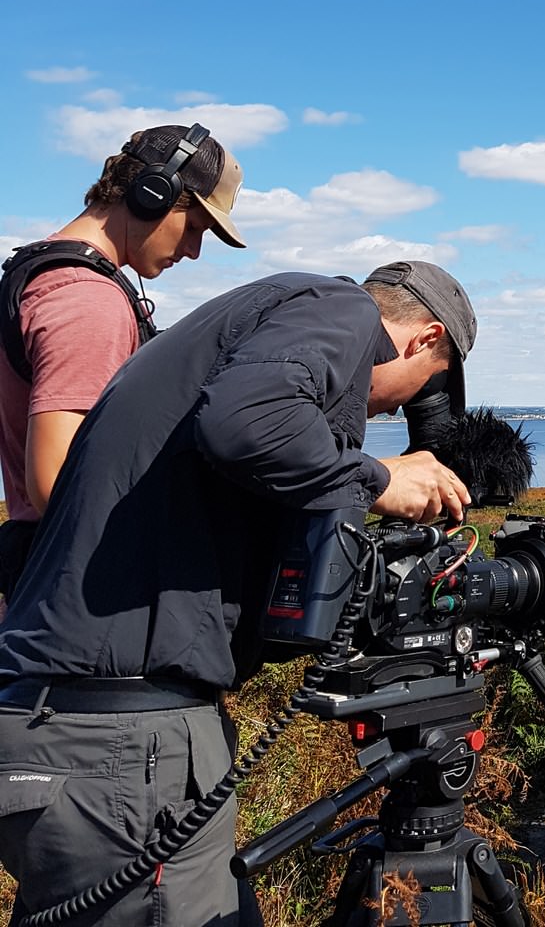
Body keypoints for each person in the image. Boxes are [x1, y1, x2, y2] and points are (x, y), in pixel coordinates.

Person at [0, 259, 477, 926]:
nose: (394, 409)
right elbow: (244, 424)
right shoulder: (340, 308)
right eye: (415, 390)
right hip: (124, 746)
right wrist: (375, 478)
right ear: (423, 339)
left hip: (76, 731)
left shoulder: (233, 327)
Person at [0, 124, 246, 608]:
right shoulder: (88, 302)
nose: (194, 251)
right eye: (194, 227)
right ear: (152, 194)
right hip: (73, 589)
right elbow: (57, 484)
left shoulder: (38, 271)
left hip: (43, 578)